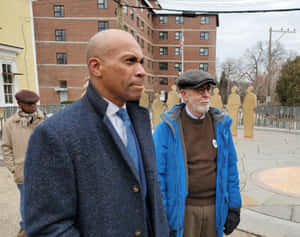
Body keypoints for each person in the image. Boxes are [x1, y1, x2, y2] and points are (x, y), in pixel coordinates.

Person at [24, 29, 169, 237]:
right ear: (96, 67)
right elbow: (48, 228)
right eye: (130, 61)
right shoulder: (55, 134)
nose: (141, 71)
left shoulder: (140, 121)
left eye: (141, 62)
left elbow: (149, 197)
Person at [153, 70, 242, 237]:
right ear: (184, 95)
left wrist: (234, 206)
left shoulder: (220, 126)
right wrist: (163, 216)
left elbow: (230, 168)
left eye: (207, 90)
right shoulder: (166, 129)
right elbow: (158, 176)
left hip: (214, 209)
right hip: (183, 211)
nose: (206, 95)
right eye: (200, 90)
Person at [1, 90, 45, 237]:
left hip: (42, 169)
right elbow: (6, 147)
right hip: (22, 170)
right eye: (29, 104)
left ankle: (37, 226)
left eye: (35, 103)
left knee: (43, 199)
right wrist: (13, 169)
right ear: (20, 104)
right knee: (26, 201)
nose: (33, 106)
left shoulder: (43, 119)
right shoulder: (10, 124)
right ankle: (27, 228)